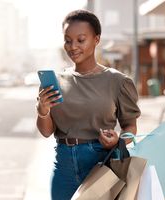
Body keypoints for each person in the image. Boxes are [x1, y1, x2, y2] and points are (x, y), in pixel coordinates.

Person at [36, 9, 141, 200]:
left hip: (101, 165)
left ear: (96, 39)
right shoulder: (55, 82)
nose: (73, 46)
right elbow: (46, 132)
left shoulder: (118, 81)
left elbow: (130, 127)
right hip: (63, 169)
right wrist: (43, 112)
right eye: (68, 40)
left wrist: (118, 140)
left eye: (81, 40)